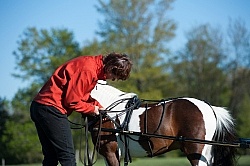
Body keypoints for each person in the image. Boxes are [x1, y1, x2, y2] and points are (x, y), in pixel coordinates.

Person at [30, 52, 132, 166]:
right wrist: (92, 109)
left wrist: (97, 106)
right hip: (51, 109)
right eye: (114, 76)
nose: (112, 80)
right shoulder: (88, 71)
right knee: (67, 157)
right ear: (110, 68)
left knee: (51, 157)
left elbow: (81, 95)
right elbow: (71, 101)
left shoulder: (90, 64)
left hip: (40, 106)